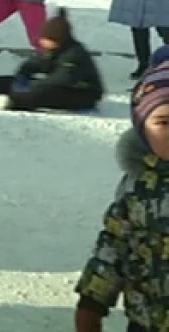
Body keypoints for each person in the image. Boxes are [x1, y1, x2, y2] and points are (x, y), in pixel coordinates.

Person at [74, 64, 169, 332]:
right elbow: (114, 243)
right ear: (142, 129)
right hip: (145, 320)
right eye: (164, 122)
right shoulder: (136, 185)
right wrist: (92, 301)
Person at [0, 8, 104, 112]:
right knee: (13, 81)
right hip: (56, 85)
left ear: (57, 39)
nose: (41, 42)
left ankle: (15, 102)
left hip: (82, 93)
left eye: (45, 39)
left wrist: (34, 86)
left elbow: (62, 79)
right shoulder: (53, 50)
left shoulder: (74, 54)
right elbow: (35, 63)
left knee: (47, 94)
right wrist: (23, 74)